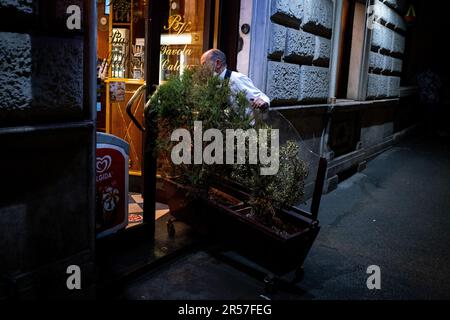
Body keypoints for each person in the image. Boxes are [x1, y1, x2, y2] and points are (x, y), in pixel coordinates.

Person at [200, 49, 270, 112]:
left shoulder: (236, 78)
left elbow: (261, 98)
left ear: (217, 63)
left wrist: (262, 102)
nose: (202, 69)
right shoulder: (213, 82)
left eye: (204, 64)